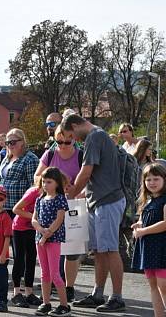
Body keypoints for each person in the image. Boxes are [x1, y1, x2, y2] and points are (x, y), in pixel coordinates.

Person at [61, 113, 127, 312]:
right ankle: (98, 294)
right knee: (99, 251)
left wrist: (72, 192)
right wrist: (82, 193)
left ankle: (117, 297)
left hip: (107, 201)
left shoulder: (94, 136)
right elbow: (97, 174)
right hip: (99, 201)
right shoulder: (98, 135)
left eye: (71, 135)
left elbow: (86, 170)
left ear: (75, 125)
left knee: (110, 249)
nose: (73, 139)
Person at [35, 124, 84, 301]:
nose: (62, 145)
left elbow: (91, 181)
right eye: (59, 141)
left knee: (72, 251)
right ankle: (56, 282)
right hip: (51, 205)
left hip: (75, 205)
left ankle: (69, 287)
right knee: (54, 247)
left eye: (67, 142)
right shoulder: (50, 154)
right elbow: (37, 177)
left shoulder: (80, 155)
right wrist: (58, 179)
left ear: (74, 139)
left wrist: (78, 190)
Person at [31, 167, 71, 317]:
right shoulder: (39, 199)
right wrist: (41, 230)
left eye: (49, 182)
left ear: (57, 183)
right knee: (44, 273)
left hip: (53, 239)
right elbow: (34, 219)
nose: (45, 184)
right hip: (40, 239)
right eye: (44, 181)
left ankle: (64, 305)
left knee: (55, 273)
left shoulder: (60, 198)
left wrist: (47, 234)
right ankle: (46, 303)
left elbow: (59, 219)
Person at [132, 163, 166, 316]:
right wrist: (138, 225)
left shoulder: (164, 200)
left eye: (156, 179)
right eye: (148, 179)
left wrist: (143, 231)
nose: (152, 182)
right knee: (153, 286)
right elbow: (145, 220)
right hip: (148, 249)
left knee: (163, 286)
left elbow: (165, 223)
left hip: (162, 249)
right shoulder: (147, 201)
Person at [0, 128, 39, 216]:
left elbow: (34, 187)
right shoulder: (6, 160)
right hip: (3, 208)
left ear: (22, 142)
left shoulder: (30, 159)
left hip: (21, 210)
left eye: (13, 142)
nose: (10, 145)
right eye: (7, 143)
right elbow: (0, 182)